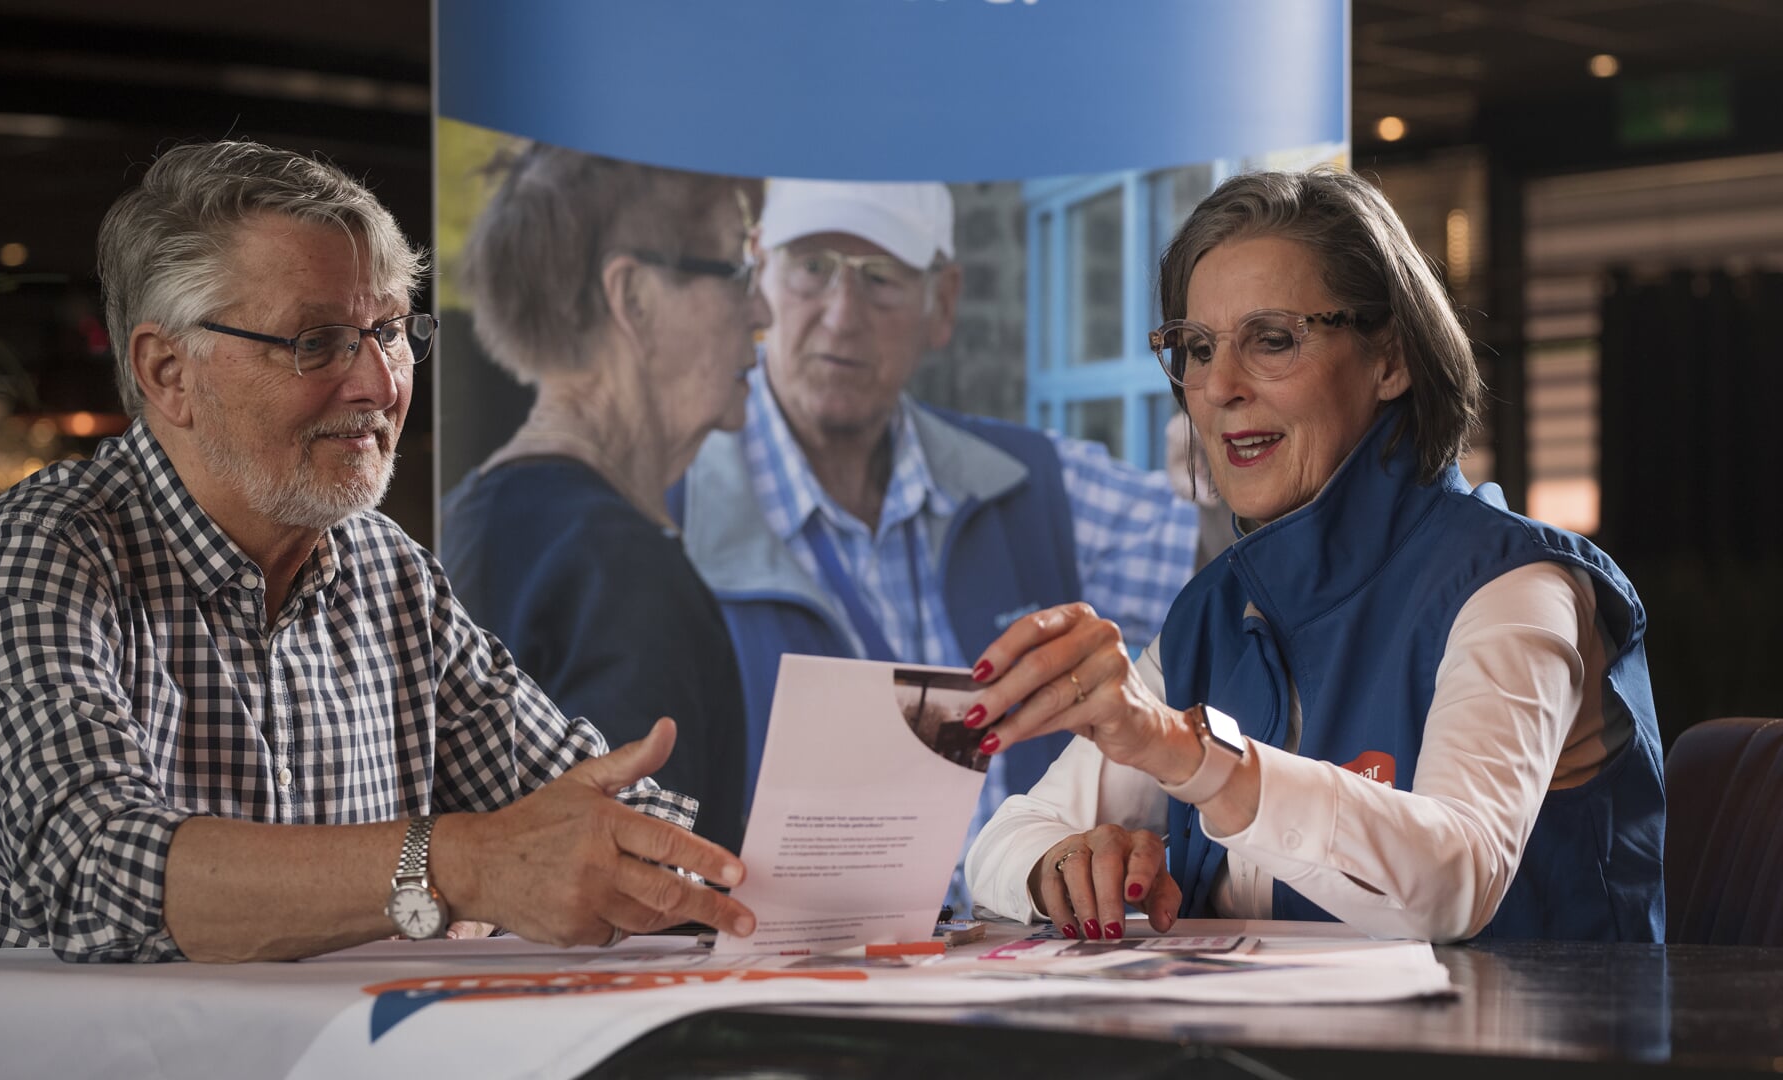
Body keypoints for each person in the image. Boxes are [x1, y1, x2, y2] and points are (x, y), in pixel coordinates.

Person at [0, 140, 754, 964]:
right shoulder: (36, 554)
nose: (379, 384)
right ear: (167, 373)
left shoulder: (388, 571)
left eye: (392, 332)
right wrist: (456, 866)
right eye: (317, 341)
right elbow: (98, 874)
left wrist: (814, 858)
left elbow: (583, 814)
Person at [963, 169, 1664, 944]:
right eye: (1196, 348)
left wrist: (1190, 757)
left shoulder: (1516, 586)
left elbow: (1456, 876)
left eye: (1271, 340)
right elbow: (1002, 843)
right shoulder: (1212, 609)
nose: (1220, 386)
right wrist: (1063, 861)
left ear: (1391, 358)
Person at [671, 180, 1198, 904]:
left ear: (943, 303)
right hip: (773, 990)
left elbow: (1220, 560)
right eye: (812, 266)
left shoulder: (1034, 485)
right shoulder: (670, 517)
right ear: (758, 274)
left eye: (881, 278)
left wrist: (1221, 465)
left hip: (1009, 975)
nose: (841, 314)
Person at [441, 145, 768, 853]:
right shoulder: (622, 571)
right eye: (738, 270)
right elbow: (642, 895)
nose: (763, 310)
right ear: (635, 300)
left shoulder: (467, 516)